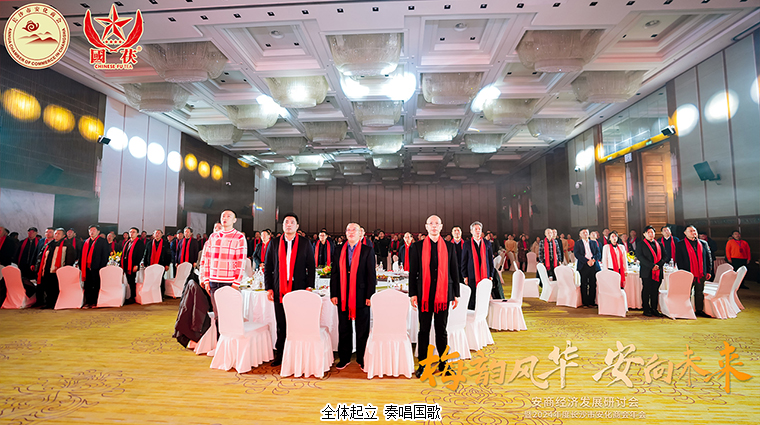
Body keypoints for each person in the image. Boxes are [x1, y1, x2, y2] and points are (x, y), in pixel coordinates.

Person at [408, 215, 460, 378]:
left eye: (437, 223)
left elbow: (454, 271)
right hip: (424, 294)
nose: (434, 226)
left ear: (441, 226)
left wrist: (456, 294)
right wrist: (413, 294)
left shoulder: (450, 247)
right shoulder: (417, 247)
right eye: (431, 223)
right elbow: (413, 273)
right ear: (426, 227)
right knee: (423, 330)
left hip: (443, 294)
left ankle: (444, 364)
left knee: (441, 330)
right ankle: (423, 365)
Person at [264, 213, 316, 367]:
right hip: (279, 287)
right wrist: (269, 288)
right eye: (286, 222)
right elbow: (268, 267)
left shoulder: (305, 243)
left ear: (297, 226)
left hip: (298, 287)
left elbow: (311, 266)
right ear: (282, 225)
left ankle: (297, 354)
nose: (289, 224)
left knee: (297, 321)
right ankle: (280, 354)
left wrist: (309, 286)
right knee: (281, 322)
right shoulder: (274, 243)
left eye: (292, 222)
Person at [330, 223, 376, 370]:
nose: (351, 232)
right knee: (344, 327)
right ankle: (344, 357)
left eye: (354, 230)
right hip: (342, 294)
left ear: (360, 233)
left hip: (361, 294)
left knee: (362, 328)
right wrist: (334, 293)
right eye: (348, 230)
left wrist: (370, 295)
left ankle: (362, 358)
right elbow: (334, 273)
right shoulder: (338, 250)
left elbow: (371, 275)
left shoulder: (367, 250)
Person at [199, 210, 247, 329]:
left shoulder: (239, 237)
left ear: (234, 220)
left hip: (229, 281)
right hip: (213, 280)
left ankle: (229, 339)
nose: (225, 218)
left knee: (229, 314)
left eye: (228, 216)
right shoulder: (213, 236)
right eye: (223, 216)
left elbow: (241, 261)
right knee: (217, 314)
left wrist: (236, 282)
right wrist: (206, 279)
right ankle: (219, 339)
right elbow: (206, 259)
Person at [676, 225, 713, 318]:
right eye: (690, 231)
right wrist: (683, 273)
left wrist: (708, 271)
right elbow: (679, 260)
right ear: (685, 233)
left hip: (701, 272)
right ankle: (685, 311)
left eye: (694, 231)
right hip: (688, 273)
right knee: (686, 293)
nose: (693, 233)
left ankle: (699, 310)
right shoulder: (680, 244)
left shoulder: (703, 243)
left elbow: (708, 258)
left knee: (699, 292)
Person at [36, 228, 76, 308]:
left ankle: (55, 303)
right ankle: (48, 303)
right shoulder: (49, 244)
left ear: (63, 236)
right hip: (47, 269)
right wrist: (38, 267)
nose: (56, 235)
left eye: (58, 234)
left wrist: (66, 269)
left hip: (59, 270)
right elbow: (40, 256)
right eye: (55, 233)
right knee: (47, 287)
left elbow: (70, 258)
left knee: (55, 288)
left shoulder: (67, 245)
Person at [461, 221, 496, 308]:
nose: (478, 231)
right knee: (472, 296)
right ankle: (472, 313)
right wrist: (465, 276)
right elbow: (464, 261)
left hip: (485, 274)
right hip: (472, 274)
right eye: (475, 229)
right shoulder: (467, 244)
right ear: (471, 231)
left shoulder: (487, 243)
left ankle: (483, 312)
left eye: (479, 229)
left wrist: (491, 274)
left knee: (484, 295)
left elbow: (490, 260)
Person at [636, 226, 665, 317]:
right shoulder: (641, 244)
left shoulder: (659, 244)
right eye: (648, 232)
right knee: (646, 290)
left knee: (655, 291)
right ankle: (646, 308)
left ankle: (654, 309)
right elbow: (640, 256)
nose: (651, 234)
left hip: (658, 271)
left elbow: (665, 256)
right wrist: (652, 266)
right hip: (647, 271)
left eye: (652, 232)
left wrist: (658, 265)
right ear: (644, 234)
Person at [80, 225, 110, 308]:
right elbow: (81, 255)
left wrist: (102, 267)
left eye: (93, 230)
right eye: (90, 230)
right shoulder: (86, 242)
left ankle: (95, 302)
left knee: (96, 285)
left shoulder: (102, 241)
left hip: (97, 267)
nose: (91, 232)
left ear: (98, 232)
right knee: (87, 285)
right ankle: (88, 302)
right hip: (86, 267)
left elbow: (105, 255)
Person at [574, 228, 601, 308]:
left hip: (593, 265)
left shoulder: (593, 242)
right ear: (580, 234)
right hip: (583, 265)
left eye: (586, 232)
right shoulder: (578, 243)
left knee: (593, 284)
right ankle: (585, 303)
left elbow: (598, 253)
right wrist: (587, 261)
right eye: (583, 232)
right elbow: (577, 254)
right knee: (584, 284)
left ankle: (592, 302)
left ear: (588, 234)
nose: (585, 234)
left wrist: (593, 260)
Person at [121, 227, 145, 305]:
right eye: (130, 232)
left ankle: (133, 296)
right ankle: (129, 295)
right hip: (126, 264)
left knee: (132, 281)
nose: (131, 233)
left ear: (137, 234)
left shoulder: (139, 243)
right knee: (128, 280)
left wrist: (136, 264)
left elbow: (140, 255)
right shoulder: (127, 242)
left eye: (133, 232)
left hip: (133, 264)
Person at [143, 229, 172, 294]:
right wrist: (145, 264)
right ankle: (152, 293)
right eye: (156, 233)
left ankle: (161, 293)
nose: (157, 234)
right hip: (151, 264)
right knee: (151, 278)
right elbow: (146, 254)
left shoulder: (166, 243)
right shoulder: (149, 243)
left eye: (159, 233)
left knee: (160, 278)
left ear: (161, 235)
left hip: (161, 264)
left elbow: (168, 254)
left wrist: (167, 264)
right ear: (153, 235)